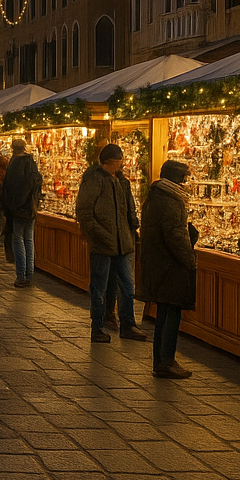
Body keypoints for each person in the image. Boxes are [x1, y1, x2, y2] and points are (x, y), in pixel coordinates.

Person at [76, 144, 146, 341]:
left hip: (123, 241)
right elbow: (84, 211)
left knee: (127, 285)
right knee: (99, 286)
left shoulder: (122, 181)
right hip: (103, 242)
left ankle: (128, 324)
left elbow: (129, 209)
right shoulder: (94, 180)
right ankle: (97, 326)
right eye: (115, 163)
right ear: (106, 163)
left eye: (119, 163)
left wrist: (132, 229)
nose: (118, 166)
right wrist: (98, 233)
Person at [140, 161, 197, 378]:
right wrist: (189, 259)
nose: (187, 183)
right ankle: (166, 361)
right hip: (169, 267)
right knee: (170, 314)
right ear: (178, 180)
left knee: (164, 314)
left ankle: (161, 360)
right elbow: (175, 236)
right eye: (185, 178)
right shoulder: (171, 201)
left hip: (158, 264)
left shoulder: (156, 196)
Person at [0, 138, 43, 287]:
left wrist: (12, 207)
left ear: (13, 148)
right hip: (31, 208)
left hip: (19, 209)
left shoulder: (15, 164)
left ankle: (21, 275)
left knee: (18, 240)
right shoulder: (32, 164)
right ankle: (29, 274)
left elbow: (12, 188)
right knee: (29, 240)